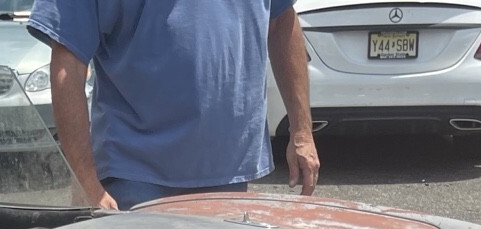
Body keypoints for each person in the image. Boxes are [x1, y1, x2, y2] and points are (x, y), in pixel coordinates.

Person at [26, 0, 320, 212]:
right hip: (135, 178)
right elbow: (67, 62)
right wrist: (87, 184)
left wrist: (302, 131)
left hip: (229, 172)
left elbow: (282, 19)